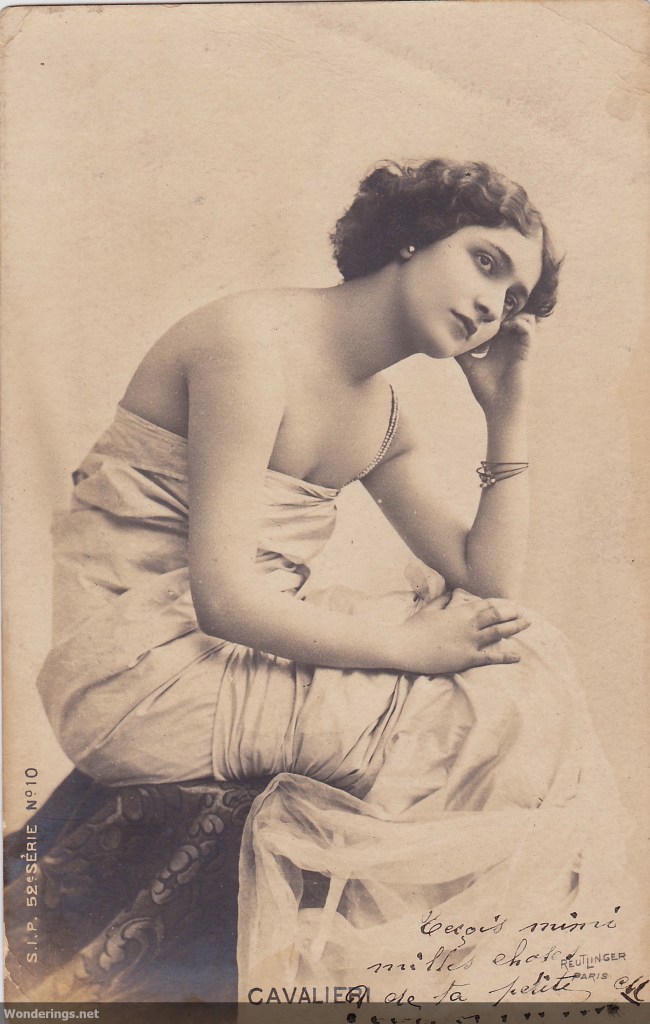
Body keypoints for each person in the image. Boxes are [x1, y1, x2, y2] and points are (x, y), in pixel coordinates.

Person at [36, 159, 628, 1003]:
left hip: (215, 659)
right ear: (414, 235)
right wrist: (410, 649)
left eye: (512, 299)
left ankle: (427, 984)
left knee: (523, 662)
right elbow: (224, 599)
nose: (491, 305)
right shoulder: (252, 343)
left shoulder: (379, 415)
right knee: (492, 716)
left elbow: (489, 583)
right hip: (139, 676)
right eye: (485, 261)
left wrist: (508, 414)